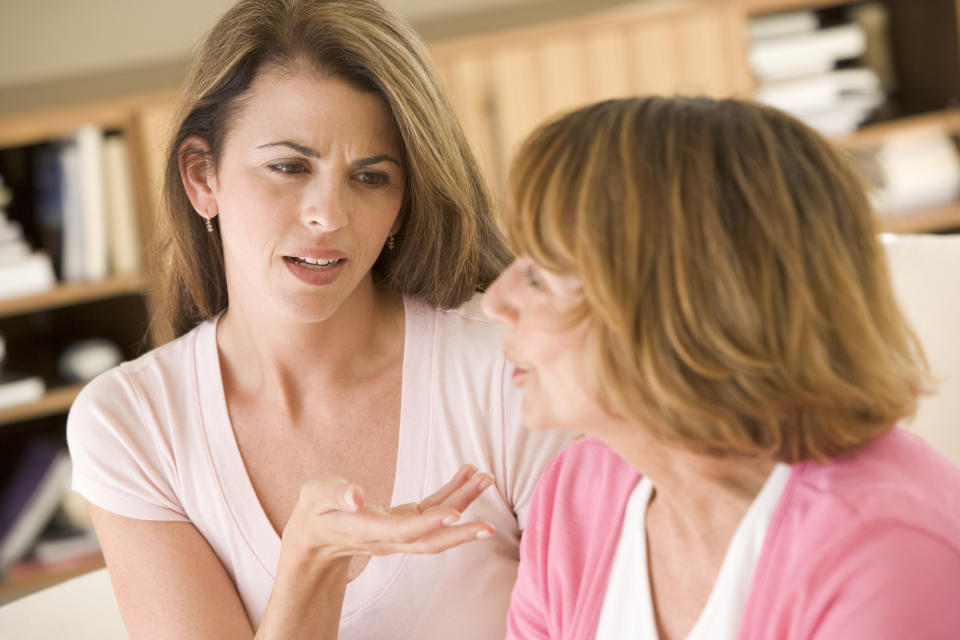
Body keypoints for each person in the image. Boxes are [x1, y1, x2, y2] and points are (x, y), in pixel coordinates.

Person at [65, 0, 573, 638]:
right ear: (202, 177)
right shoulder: (134, 422)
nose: (328, 216)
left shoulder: (510, 376)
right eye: (289, 167)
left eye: (370, 177)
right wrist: (311, 561)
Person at [482, 96, 960, 639]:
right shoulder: (578, 493)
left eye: (539, 276)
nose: (495, 301)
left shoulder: (888, 548)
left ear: (677, 302)